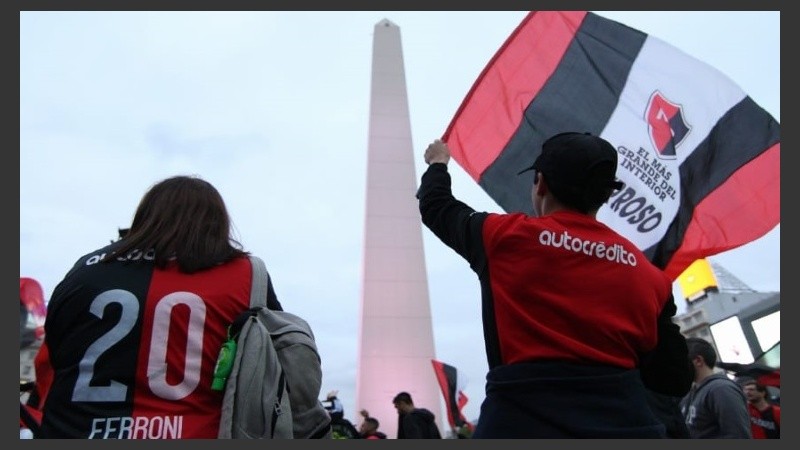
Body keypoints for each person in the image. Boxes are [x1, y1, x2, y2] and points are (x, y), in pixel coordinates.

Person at [416, 133, 693, 438]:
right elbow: (674, 378)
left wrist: (438, 164)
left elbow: (436, 206)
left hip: (518, 424)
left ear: (541, 183)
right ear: (605, 195)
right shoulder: (651, 277)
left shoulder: (503, 238)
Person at [35, 175, 291, 439]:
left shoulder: (85, 270)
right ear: (216, 223)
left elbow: (49, 359)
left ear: (146, 216)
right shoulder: (245, 274)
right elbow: (281, 361)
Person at [679, 337, 752, 438]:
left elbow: (738, 436)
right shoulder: (690, 395)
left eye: (680, 361)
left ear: (698, 361)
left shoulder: (721, 389)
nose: (677, 367)